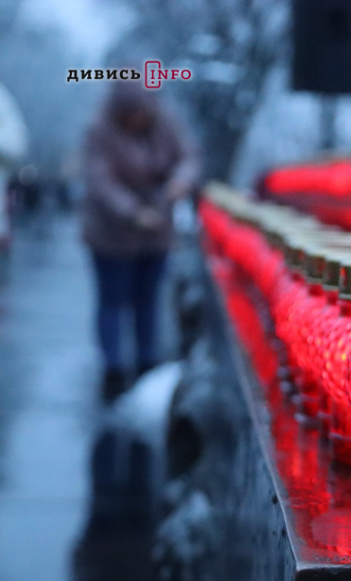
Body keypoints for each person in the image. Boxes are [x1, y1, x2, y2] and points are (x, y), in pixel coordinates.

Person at [82, 80, 199, 400]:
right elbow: (100, 182)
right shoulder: (100, 131)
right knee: (112, 301)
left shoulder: (165, 123)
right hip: (110, 235)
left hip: (156, 233)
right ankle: (113, 369)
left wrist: (179, 182)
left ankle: (148, 364)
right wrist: (133, 212)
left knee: (148, 301)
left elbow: (187, 158)